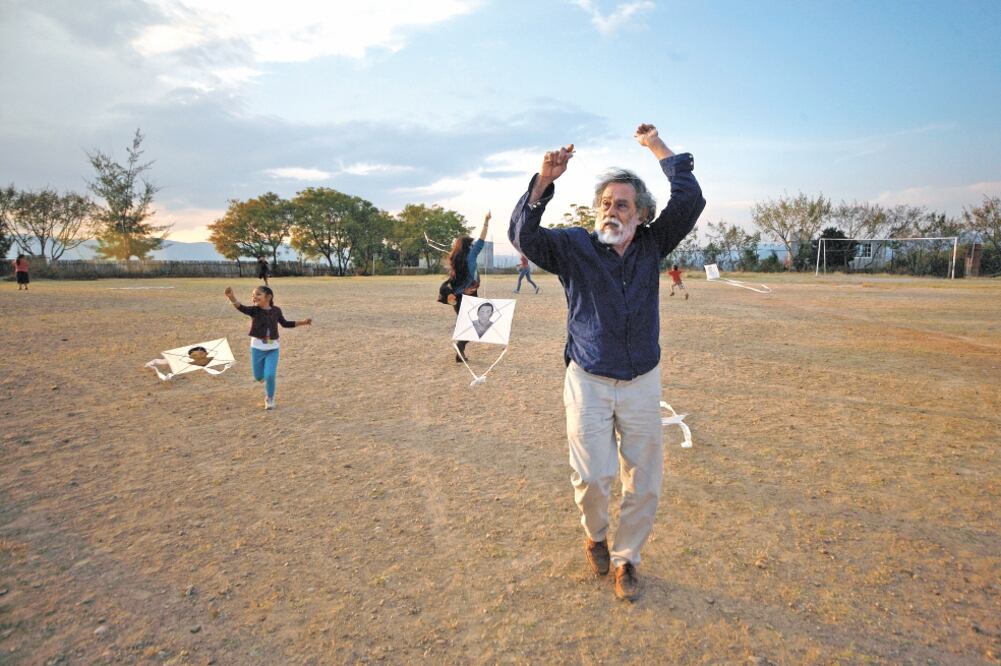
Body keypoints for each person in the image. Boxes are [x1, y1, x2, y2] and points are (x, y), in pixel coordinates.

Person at [508, 123, 705, 601]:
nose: (610, 210)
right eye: (605, 203)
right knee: (594, 476)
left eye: (621, 204)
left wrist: (656, 147)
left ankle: (626, 561)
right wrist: (543, 182)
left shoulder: (654, 245)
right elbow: (523, 235)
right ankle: (595, 536)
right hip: (588, 380)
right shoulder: (575, 247)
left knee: (644, 483)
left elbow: (691, 199)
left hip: (642, 382)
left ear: (640, 214)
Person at [224, 285, 311, 410]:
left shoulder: (276, 311)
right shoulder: (254, 310)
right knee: (258, 377)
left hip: (272, 348)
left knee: (270, 375)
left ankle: (269, 398)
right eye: (253, 295)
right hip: (257, 348)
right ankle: (264, 377)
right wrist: (232, 297)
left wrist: (303, 322)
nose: (254, 296)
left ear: (268, 297)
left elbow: (285, 324)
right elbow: (240, 307)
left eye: (258, 294)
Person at [438, 212, 490, 363]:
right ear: (469, 246)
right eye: (472, 245)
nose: (474, 246)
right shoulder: (471, 255)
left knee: (473, 324)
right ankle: (459, 347)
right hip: (469, 296)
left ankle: (459, 352)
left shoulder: (455, 258)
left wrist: (462, 291)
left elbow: (454, 281)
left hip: (458, 298)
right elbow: (482, 239)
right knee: (479, 324)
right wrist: (486, 221)